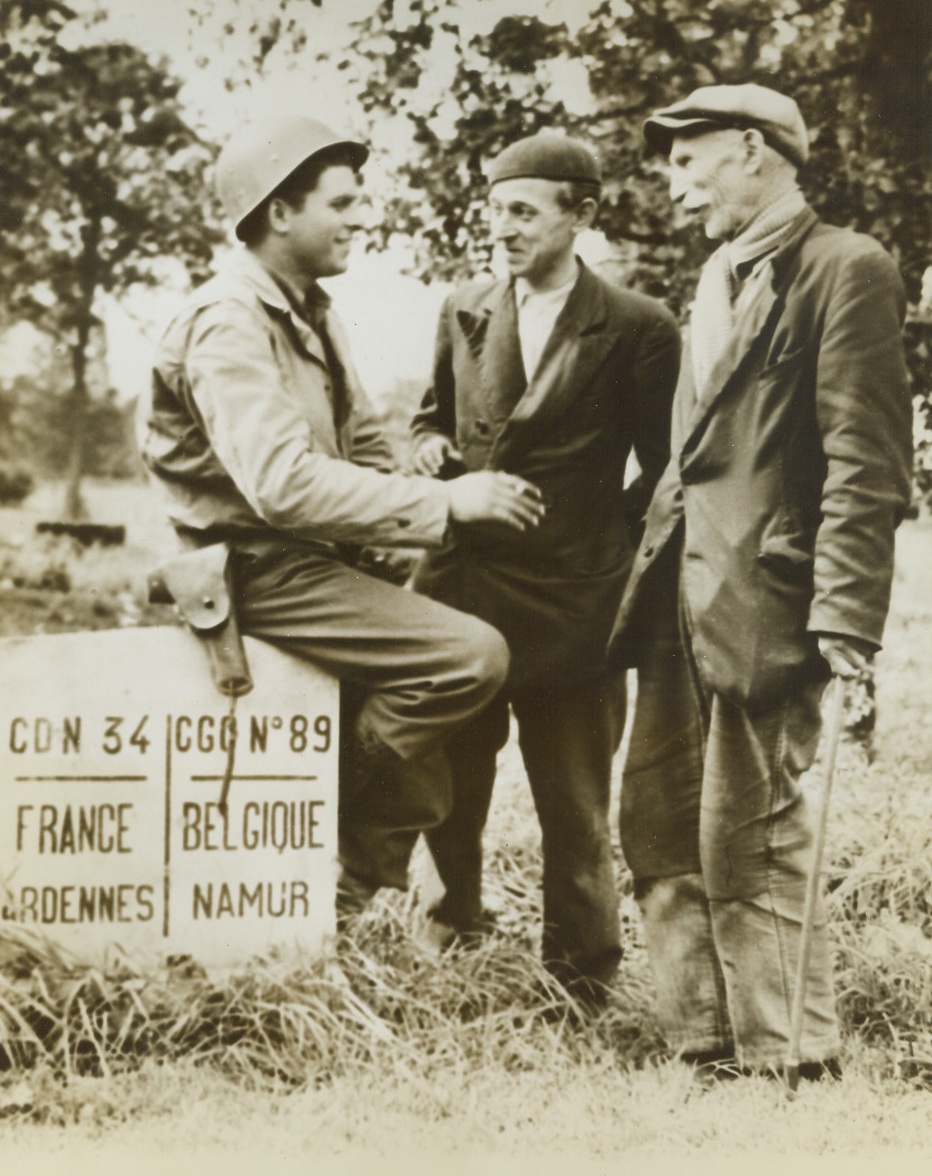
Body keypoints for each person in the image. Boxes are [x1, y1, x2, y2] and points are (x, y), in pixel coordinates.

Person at [140, 112, 546, 925]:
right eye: (342, 203)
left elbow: (361, 442)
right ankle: (322, 831)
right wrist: (442, 503)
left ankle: (334, 916)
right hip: (252, 565)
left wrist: (419, 501)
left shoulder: (310, 311)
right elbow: (282, 487)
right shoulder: (227, 323)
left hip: (318, 562)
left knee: (426, 755)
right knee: (467, 658)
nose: (362, 218)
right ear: (278, 212)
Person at [608, 84, 913, 1074]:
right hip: (673, 601)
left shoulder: (846, 269)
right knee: (654, 828)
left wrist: (845, 622)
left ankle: (791, 1061)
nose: (672, 181)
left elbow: (866, 466)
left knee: (754, 836)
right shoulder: (711, 276)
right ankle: (705, 1046)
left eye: (687, 159)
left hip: (768, 603)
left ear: (751, 150)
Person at [409, 131, 681, 1002]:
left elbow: (671, 463)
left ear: (583, 214)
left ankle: (583, 980)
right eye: (494, 210)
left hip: (577, 603)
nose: (502, 229)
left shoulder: (637, 325)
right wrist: (428, 454)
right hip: (465, 592)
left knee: (574, 807)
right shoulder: (464, 307)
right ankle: (449, 950)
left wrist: (603, 535)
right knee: (452, 785)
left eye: (522, 212)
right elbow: (429, 419)